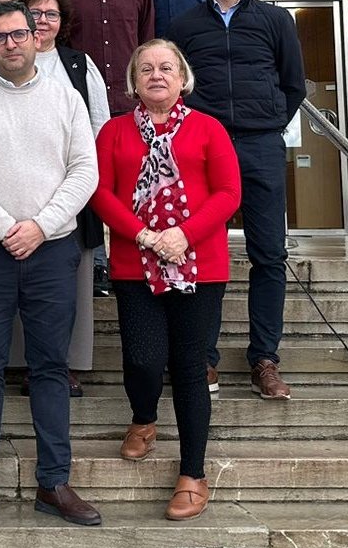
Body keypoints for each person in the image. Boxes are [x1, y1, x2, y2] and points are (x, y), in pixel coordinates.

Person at [0, 1, 100, 528]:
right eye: (0, 37)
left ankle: (55, 482)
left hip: (52, 250)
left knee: (50, 367)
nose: (11, 43)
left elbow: (85, 171)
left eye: (19, 34)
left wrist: (40, 226)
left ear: (36, 38)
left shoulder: (66, 98)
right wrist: (7, 225)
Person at [91, 40, 241, 520]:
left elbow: (228, 192)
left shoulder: (208, 129)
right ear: (134, 81)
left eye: (167, 68)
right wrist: (147, 236)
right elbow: (101, 193)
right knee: (142, 359)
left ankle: (192, 474)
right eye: (147, 68)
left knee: (190, 367)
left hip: (201, 263)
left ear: (182, 79)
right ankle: (143, 418)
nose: (157, 75)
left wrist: (183, 234)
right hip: (137, 265)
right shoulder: (114, 133)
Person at [168, 0, 306, 400]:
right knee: (202, 255)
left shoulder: (275, 21)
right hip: (203, 153)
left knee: (269, 255)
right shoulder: (183, 27)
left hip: (260, 148)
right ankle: (202, 359)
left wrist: (266, 123)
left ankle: (264, 359)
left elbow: (294, 86)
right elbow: (177, 91)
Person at [13, 0, 110, 397]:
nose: (42, 21)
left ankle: (64, 364)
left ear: (62, 21)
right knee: (20, 279)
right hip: (18, 191)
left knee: (70, 287)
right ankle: (25, 363)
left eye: (50, 14)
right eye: (34, 14)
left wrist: (82, 178)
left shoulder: (78, 65)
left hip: (71, 192)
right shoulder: (6, 59)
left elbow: (99, 125)